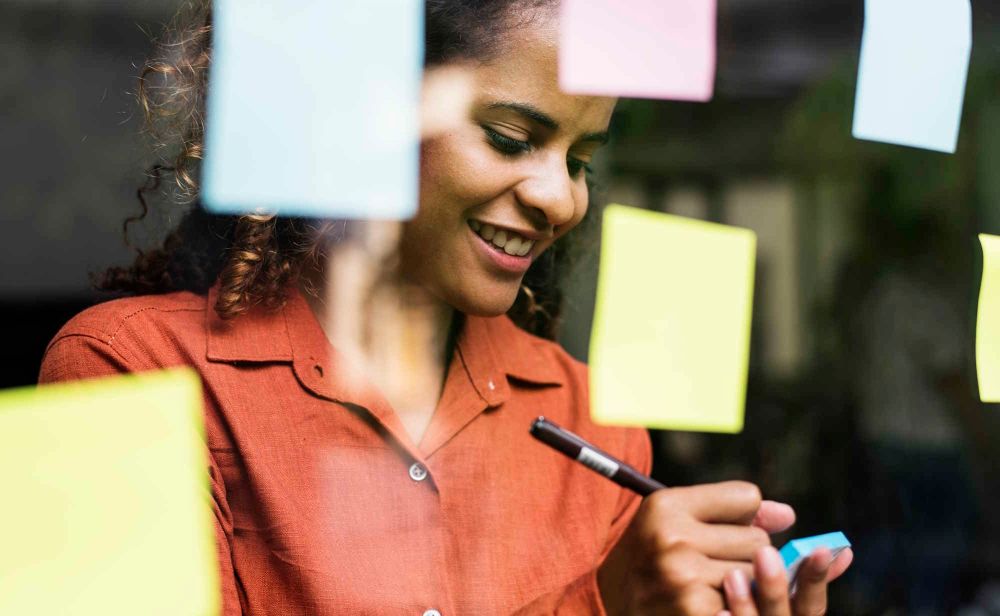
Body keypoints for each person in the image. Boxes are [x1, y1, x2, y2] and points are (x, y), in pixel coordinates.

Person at [39, 1, 851, 613]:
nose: (560, 198)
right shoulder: (116, 376)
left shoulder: (593, 419)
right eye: (510, 138)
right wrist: (596, 603)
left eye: (581, 160)